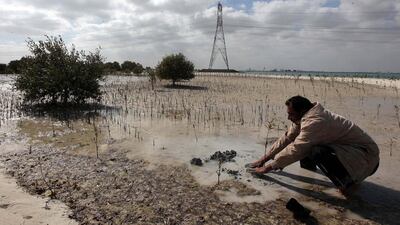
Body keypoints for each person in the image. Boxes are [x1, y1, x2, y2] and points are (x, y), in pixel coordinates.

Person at [247, 96, 379, 193]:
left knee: (316, 150)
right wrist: (263, 159)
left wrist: (269, 168)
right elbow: (287, 138)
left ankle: (347, 185)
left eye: (291, 114)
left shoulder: (315, 121)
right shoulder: (305, 116)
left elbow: (297, 148)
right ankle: (309, 171)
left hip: (366, 157)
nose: (289, 118)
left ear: (302, 110)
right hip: (347, 150)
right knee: (306, 142)